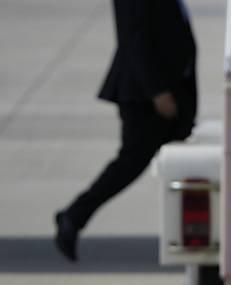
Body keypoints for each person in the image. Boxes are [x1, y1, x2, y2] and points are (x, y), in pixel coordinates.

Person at [55, 0, 197, 262]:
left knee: (167, 161)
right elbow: (133, 35)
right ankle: (73, 216)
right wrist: (156, 91)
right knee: (131, 161)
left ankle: (74, 215)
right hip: (147, 95)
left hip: (174, 90)